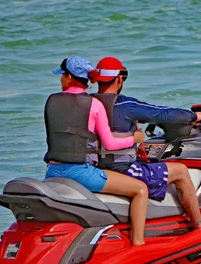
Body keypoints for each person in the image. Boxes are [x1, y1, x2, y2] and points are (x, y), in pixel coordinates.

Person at [90, 56, 201, 230]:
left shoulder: (88, 103)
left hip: (95, 169)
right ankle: (200, 224)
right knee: (181, 171)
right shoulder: (126, 105)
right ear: (120, 79)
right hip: (122, 170)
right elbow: (164, 114)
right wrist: (195, 116)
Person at [45, 56, 148, 246]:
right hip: (81, 173)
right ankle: (138, 244)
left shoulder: (51, 101)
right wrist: (134, 139)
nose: (61, 80)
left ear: (69, 78)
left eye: (62, 76)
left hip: (52, 172)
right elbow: (109, 144)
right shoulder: (94, 104)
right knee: (140, 189)